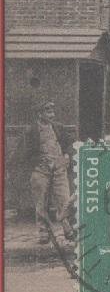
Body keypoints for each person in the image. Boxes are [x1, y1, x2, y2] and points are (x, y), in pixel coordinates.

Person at [20, 102, 75, 244]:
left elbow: (69, 144)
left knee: (64, 199)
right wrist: (39, 161)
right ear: (40, 114)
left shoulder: (58, 127)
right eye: (48, 112)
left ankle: (67, 228)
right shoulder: (31, 131)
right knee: (41, 202)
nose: (52, 115)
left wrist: (67, 155)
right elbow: (26, 153)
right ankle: (43, 231)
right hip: (41, 170)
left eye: (52, 112)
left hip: (59, 168)